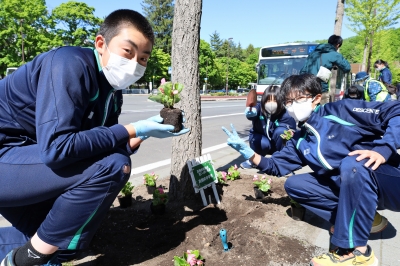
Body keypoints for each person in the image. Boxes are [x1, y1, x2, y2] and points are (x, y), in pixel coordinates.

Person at [0, 9, 189, 266]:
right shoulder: (68, 63)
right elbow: (58, 148)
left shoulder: (113, 93)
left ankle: (37, 253)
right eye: (128, 51)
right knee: (112, 166)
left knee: (66, 242)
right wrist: (133, 128)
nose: (135, 63)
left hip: (26, 161)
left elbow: (105, 142)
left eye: (143, 58)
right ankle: (22, 261)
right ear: (101, 44)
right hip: (8, 157)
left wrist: (144, 134)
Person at [222, 73, 400, 266]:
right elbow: (275, 166)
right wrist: (248, 153)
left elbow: (395, 110)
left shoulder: (341, 110)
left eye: (298, 99)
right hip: (360, 187)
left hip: (390, 181)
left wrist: (383, 149)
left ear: (316, 98)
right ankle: (363, 219)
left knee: (352, 163)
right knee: (296, 184)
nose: (292, 106)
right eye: (288, 101)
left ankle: (358, 253)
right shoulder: (301, 139)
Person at [240, 85, 296, 169]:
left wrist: (289, 132)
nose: (271, 103)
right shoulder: (259, 108)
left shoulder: (285, 113)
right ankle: (254, 160)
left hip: (277, 145)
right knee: (259, 140)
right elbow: (253, 111)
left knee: (281, 131)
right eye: (268, 100)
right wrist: (251, 112)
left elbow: (290, 127)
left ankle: (281, 160)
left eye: (275, 100)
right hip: (262, 143)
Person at [300, 35, 351, 105]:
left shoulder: (313, 53)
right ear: (338, 45)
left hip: (306, 87)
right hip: (321, 88)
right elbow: (347, 68)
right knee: (322, 112)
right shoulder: (334, 54)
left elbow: (303, 70)